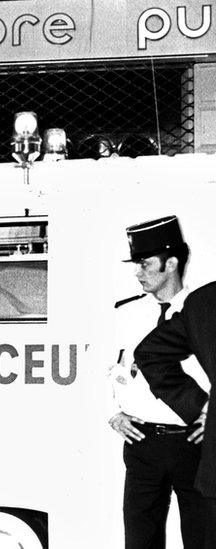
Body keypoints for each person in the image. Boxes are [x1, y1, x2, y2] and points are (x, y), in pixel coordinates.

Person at [110, 215, 209, 549]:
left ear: (171, 263)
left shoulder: (204, 312)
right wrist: (113, 412)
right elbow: (104, 370)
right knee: (140, 540)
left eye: (145, 264)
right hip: (144, 442)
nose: (138, 273)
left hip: (195, 443)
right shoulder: (126, 314)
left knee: (203, 537)